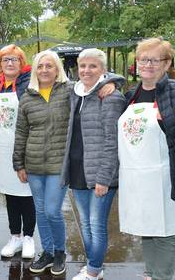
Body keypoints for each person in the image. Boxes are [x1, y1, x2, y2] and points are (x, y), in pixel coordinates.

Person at [13, 50, 119, 275]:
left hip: (58, 164)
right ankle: (49, 252)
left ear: (57, 69)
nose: (44, 70)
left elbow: (94, 82)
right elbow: (21, 132)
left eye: (49, 66)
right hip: (33, 164)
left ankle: (60, 251)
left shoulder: (69, 91)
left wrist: (113, 83)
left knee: (52, 210)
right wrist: (18, 163)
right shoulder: (27, 95)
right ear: (35, 69)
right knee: (41, 211)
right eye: (40, 66)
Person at [118, 38, 175, 280]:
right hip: (137, 180)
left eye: (154, 60)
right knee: (146, 228)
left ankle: (162, 276)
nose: (147, 64)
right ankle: (151, 273)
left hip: (167, 179)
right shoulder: (131, 95)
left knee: (166, 232)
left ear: (166, 64)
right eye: (142, 59)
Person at [62, 49, 126, 280]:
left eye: (93, 66)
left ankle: (92, 271)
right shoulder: (75, 93)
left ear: (103, 70)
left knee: (96, 225)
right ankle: (95, 266)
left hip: (100, 173)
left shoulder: (111, 97)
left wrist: (104, 178)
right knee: (86, 224)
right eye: (83, 66)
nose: (87, 70)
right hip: (78, 170)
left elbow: (113, 140)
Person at [0, 44, 36, 259]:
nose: (10, 63)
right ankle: (15, 237)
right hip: (2, 148)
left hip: (24, 146)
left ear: (22, 63)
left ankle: (29, 238)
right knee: (10, 194)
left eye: (14, 59)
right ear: (0, 64)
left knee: (27, 194)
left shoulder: (31, 83)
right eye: (5, 60)